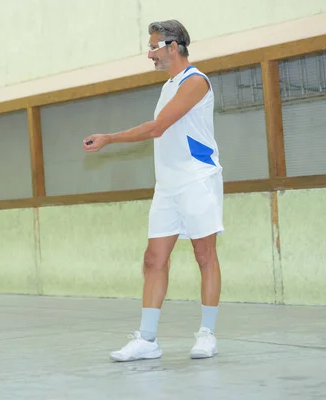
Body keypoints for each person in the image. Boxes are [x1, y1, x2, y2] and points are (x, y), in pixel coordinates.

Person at [83, 20, 223, 361]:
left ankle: (207, 334)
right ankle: (147, 340)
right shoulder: (168, 86)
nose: (150, 54)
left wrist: (110, 138)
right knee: (153, 259)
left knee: (204, 256)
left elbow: (158, 127)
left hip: (197, 179)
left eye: (154, 47)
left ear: (173, 47)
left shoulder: (196, 82)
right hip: (168, 186)